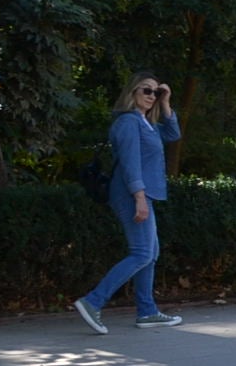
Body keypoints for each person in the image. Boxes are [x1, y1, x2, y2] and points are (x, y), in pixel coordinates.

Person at [72, 73, 185, 334]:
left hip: (144, 194)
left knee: (150, 254)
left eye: (156, 92)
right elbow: (131, 164)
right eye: (146, 90)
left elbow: (173, 133)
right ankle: (92, 301)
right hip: (131, 194)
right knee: (142, 253)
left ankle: (147, 312)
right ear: (132, 92)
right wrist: (139, 198)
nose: (151, 96)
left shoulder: (148, 124)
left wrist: (166, 102)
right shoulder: (128, 122)